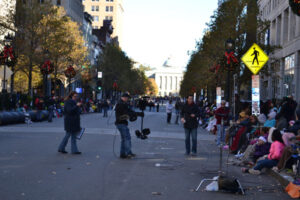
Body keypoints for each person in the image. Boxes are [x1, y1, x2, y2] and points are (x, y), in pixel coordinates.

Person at [115, 93, 144, 159]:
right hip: (121, 123)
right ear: (124, 97)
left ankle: (123, 154)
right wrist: (137, 114)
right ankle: (128, 153)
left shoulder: (122, 104)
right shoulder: (121, 104)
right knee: (127, 138)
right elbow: (127, 112)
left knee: (124, 139)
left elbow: (129, 111)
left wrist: (137, 114)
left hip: (121, 123)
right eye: (127, 98)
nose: (128, 99)